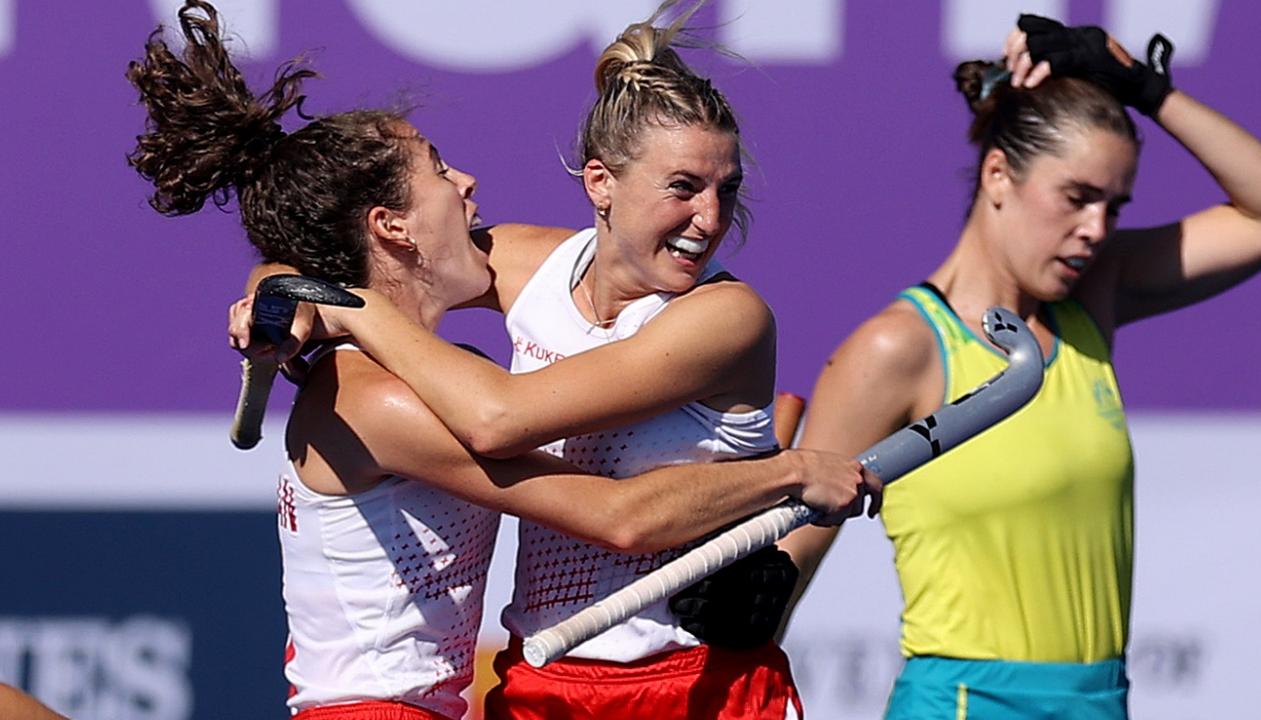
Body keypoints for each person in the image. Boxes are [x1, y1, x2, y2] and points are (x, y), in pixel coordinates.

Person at [129, 3, 869, 719]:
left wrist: (299, 292)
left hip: (690, 683)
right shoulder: (506, 283)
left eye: (725, 189)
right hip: (536, 682)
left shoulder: (725, 318)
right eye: (683, 187)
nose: (712, 219)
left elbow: (341, 272)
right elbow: (507, 426)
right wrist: (790, 473)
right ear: (600, 183)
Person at [779, 13, 1261, 719]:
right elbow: (782, 572)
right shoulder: (897, 349)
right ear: (997, 175)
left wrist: (1144, 87)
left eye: (1114, 206)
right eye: (1077, 198)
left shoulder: (1090, 300)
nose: (1097, 231)